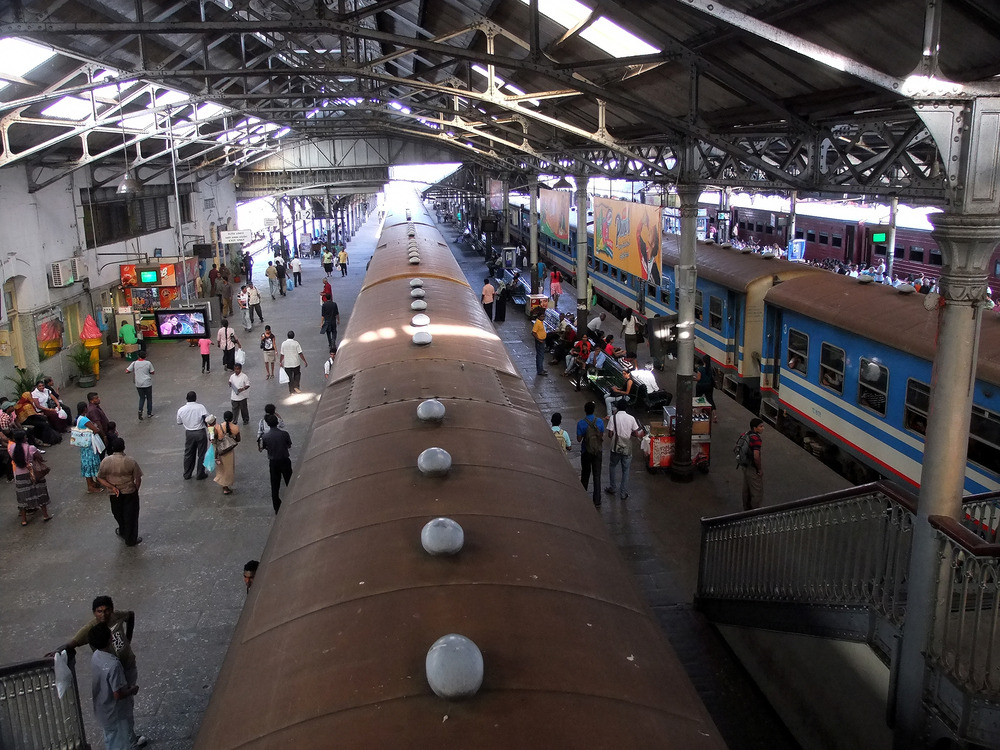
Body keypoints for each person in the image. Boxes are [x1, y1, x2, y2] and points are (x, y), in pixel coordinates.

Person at [51, 596, 147, 749]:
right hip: (114, 673)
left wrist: (128, 639)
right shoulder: (93, 630)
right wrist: (57, 651)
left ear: (112, 609)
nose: (104, 614)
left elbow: (131, 615)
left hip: (127, 666)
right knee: (120, 708)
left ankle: (129, 737)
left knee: (126, 707)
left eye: (107, 610)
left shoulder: (117, 617)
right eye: (99, 611)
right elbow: (73, 642)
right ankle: (128, 739)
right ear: (94, 613)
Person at [89, 622, 137, 750]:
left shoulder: (96, 656)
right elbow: (118, 693)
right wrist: (132, 690)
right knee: (120, 743)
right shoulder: (114, 665)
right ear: (110, 638)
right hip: (115, 712)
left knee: (111, 739)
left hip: (103, 709)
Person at [97, 438, 144, 546]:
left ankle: (123, 530)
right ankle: (131, 538)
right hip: (129, 491)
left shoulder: (106, 461)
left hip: (114, 493)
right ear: (123, 447)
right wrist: (135, 489)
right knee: (131, 515)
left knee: (118, 513)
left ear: (112, 448)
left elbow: (100, 478)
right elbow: (138, 478)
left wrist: (112, 487)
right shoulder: (130, 461)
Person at [9, 430, 52, 525]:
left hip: (19, 474)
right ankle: (45, 515)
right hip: (33, 473)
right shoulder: (31, 448)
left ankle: (24, 520)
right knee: (40, 492)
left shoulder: (11, 448)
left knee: (22, 496)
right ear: (24, 438)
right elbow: (39, 457)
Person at [605, 406, 643, 502]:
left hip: (615, 447)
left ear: (617, 408)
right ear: (626, 408)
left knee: (612, 466)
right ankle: (623, 493)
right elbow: (636, 433)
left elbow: (609, 435)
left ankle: (613, 487)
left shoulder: (613, 418)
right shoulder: (631, 418)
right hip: (627, 448)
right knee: (625, 470)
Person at [259, 413, 292, 513]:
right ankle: (293, 499)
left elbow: (263, 447)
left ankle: (277, 507)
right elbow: (289, 445)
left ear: (268, 424)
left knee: (275, 484)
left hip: (273, 462)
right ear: (277, 422)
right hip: (285, 460)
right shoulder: (284, 434)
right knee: (290, 482)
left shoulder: (265, 437)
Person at [576, 401, 605, 507]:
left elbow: (579, 439)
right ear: (594, 410)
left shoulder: (581, 423)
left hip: (586, 451)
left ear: (585, 410)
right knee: (597, 476)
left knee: (585, 474)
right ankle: (597, 500)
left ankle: (583, 498)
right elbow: (601, 436)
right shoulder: (600, 422)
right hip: (597, 451)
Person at [176, 391, 209, 480]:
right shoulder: (200, 407)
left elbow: (179, 422)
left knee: (188, 454)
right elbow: (207, 419)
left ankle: (187, 473)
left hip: (189, 433)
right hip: (200, 432)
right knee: (202, 454)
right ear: (195, 398)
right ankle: (200, 473)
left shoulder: (181, 410)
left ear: (186, 398)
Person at [75, 401, 104, 494]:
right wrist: (97, 429)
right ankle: (90, 486)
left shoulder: (79, 418)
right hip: (89, 445)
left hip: (84, 445)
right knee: (91, 464)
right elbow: (95, 429)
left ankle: (91, 482)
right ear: (85, 409)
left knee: (86, 463)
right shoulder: (84, 419)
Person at [209, 412, 240, 496]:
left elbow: (212, 438)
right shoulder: (235, 427)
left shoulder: (218, 427)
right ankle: (226, 486)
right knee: (228, 468)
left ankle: (223, 485)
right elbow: (238, 439)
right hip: (229, 451)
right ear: (232, 418)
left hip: (220, 450)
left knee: (221, 468)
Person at [742, 418, 765, 511]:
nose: (763, 428)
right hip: (752, 468)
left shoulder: (745, 434)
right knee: (756, 491)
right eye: (761, 426)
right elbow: (756, 456)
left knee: (746, 489)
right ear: (755, 428)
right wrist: (759, 469)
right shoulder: (756, 438)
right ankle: (755, 513)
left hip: (745, 466)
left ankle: (746, 510)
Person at [125, 350, 155, 420]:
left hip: (138, 383)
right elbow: (152, 372)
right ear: (145, 356)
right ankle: (149, 413)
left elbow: (127, 371)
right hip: (147, 383)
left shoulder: (134, 363)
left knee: (142, 398)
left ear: (138, 356)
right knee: (149, 398)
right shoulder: (148, 363)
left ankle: (140, 410)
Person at [695, 353, 717, 420]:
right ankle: (715, 416)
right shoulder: (711, 369)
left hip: (700, 386)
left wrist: (693, 378)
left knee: (697, 398)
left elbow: (698, 379)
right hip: (709, 386)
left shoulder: (700, 369)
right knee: (710, 400)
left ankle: (697, 413)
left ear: (703, 361)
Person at [531, 310, 548, 376]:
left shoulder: (541, 322)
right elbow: (533, 332)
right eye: (542, 316)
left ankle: (541, 369)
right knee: (540, 356)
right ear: (538, 316)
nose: (543, 317)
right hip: (540, 341)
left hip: (542, 340)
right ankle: (540, 370)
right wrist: (538, 339)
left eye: (544, 316)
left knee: (541, 355)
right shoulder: (537, 323)